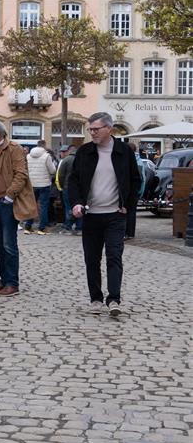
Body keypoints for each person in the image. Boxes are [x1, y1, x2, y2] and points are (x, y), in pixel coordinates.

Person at [68, 112, 141, 316]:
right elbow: (73, 180)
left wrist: (129, 205)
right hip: (91, 215)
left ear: (109, 128)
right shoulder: (84, 152)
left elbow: (136, 181)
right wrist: (76, 203)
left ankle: (114, 299)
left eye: (96, 129)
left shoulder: (124, 151)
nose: (92, 133)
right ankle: (96, 299)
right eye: (90, 129)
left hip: (115, 215)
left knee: (114, 256)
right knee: (92, 259)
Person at [0, 118, 38, 297]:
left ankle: (12, 283)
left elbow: (21, 174)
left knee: (8, 244)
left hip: (6, 202)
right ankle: (4, 280)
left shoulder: (14, 149)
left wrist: (9, 196)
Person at [24, 140, 57, 235]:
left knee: (31, 206)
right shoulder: (47, 156)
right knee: (43, 206)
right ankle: (42, 228)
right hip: (44, 184)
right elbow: (52, 170)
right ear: (44, 146)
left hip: (32, 184)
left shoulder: (28, 156)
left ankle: (28, 227)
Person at [55, 144, 81, 235]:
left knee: (69, 207)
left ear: (69, 151)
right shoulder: (82, 159)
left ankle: (68, 227)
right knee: (79, 207)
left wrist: (62, 186)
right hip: (80, 188)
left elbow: (61, 175)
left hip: (67, 187)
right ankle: (79, 228)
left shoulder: (66, 160)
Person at [126, 141, 146, 240]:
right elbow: (143, 178)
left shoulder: (128, 160)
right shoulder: (140, 161)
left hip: (129, 190)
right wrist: (141, 191)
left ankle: (126, 232)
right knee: (132, 212)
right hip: (136, 190)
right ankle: (131, 233)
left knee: (126, 211)